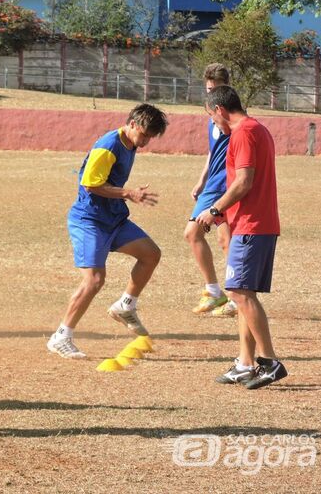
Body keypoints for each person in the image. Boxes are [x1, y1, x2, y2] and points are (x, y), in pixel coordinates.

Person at [47, 103, 168, 359]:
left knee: (150, 254)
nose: (145, 142)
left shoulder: (131, 143)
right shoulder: (108, 146)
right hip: (89, 220)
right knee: (94, 280)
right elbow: (90, 185)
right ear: (132, 124)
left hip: (113, 217)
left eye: (150, 137)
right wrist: (129, 193)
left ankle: (125, 306)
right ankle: (61, 336)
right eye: (144, 134)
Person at [197, 86, 287, 389]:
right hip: (252, 223)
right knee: (242, 292)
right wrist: (223, 215)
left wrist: (214, 209)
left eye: (212, 117)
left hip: (253, 225)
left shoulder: (244, 132)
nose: (214, 124)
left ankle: (270, 363)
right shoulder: (257, 129)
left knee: (238, 292)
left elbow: (244, 181)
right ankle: (245, 363)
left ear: (220, 110)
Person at [184, 63, 237, 317]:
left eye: (215, 89)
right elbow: (212, 152)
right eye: (208, 89)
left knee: (203, 235)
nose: (211, 95)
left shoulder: (232, 119)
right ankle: (220, 292)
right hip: (212, 185)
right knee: (211, 237)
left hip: (223, 187)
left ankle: (229, 293)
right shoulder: (211, 119)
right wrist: (201, 179)